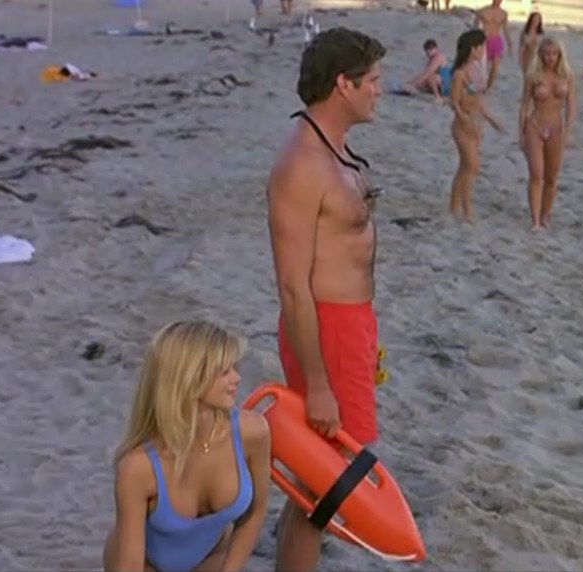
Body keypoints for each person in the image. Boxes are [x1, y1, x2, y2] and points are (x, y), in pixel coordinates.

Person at [266, 26, 386, 572]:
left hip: (350, 325)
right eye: (372, 80)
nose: (379, 90)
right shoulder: (302, 165)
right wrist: (317, 383)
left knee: (321, 485)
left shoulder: (334, 149)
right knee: (324, 487)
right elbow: (293, 287)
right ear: (343, 84)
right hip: (326, 330)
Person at [102, 320, 271, 572]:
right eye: (224, 372)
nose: (237, 378)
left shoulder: (253, 432)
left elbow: (255, 512)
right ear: (189, 378)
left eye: (233, 368)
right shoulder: (138, 467)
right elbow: (130, 565)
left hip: (214, 558)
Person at [519, 36, 576, 232]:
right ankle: (535, 220)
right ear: (541, 54)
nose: (550, 58)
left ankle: (545, 216)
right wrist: (521, 133)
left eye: (554, 54)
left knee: (551, 177)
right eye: (546, 54)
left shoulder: (567, 76)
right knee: (537, 174)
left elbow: (571, 107)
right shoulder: (534, 75)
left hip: (556, 129)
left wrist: (568, 133)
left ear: (560, 55)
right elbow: (524, 105)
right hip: (535, 126)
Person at [449, 29, 503, 223]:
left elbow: (478, 101)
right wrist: (463, 117)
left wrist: (491, 119)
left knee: (465, 168)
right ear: (473, 49)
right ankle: (467, 209)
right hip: (463, 125)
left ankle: (454, 207)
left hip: (476, 121)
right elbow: (454, 102)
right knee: (472, 165)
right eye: (481, 47)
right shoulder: (460, 74)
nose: (483, 51)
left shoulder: (477, 71)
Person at [474, 0, 513, 91]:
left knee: (495, 66)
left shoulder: (503, 13)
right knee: (483, 65)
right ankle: (481, 84)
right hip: (484, 40)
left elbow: (506, 29)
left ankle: (489, 86)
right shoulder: (483, 11)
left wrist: (509, 43)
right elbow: (475, 26)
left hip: (496, 40)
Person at [404, 39, 453, 103]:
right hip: (439, 83)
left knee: (430, 78)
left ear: (436, 48)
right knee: (421, 84)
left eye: (431, 49)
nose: (429, 52)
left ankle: (438, 98)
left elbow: (427, 73)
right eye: (427, 50)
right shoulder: (431, 59)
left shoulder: (438, 57)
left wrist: (412, 84)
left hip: (445, 84)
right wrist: (411, 83)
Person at [519, 11, 544, 75]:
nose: (536, 21)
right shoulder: (524, 33)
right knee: (527, 75)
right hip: (527, 57)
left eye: (538, 19)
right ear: (531, 19)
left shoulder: (541, 34)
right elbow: (521, 47)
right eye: (534, 19)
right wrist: (520, 59)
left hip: (538, 58)